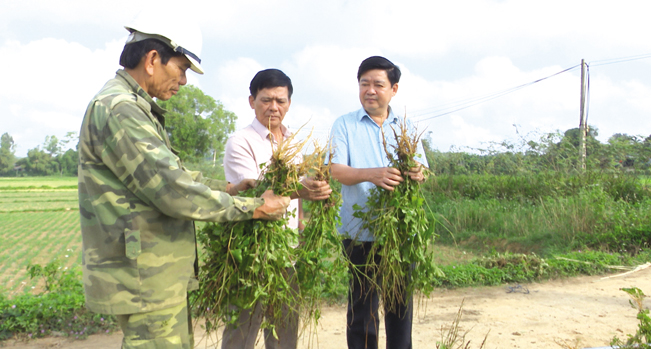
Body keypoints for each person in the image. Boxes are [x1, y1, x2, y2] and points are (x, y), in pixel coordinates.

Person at [77, 15, 290, 349]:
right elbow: (173, 191)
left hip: (152, 272)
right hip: (144, 274)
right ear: (152, 60)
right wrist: (256, 208)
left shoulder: (133, 106)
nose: (185, 81)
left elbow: (171, 176)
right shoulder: (121, 110)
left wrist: (228, 188)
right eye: (182, 68)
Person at [220, 68, 332, 349]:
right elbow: (256, 194)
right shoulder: (241, 142)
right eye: (266, 99)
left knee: (284, 335)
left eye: (280, 101)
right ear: (251, 101)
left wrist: (305, 221)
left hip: (288, 253)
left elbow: (298, 196)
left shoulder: (293, 141)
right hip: (251, 254)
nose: (273, 107)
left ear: (289, 103)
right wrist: (301, 189)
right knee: (241, 334)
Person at [329, 56, 427, 349]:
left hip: (399, 234)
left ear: (393, 89)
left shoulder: (406, 127)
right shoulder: (344, 124)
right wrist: (372, 174)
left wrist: (418, 174)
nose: (370, 90)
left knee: (400, 307)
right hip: (359, 232)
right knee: (362, 310)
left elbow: (422, 170)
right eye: (364, 84)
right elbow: (336, 170)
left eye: (378, 84)